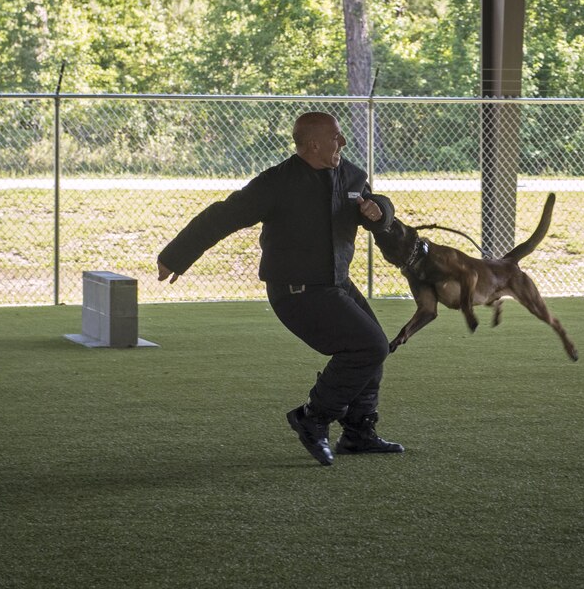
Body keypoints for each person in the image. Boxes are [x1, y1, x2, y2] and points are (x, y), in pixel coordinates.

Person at [157, 111, 403, 466]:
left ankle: (358, 432)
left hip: (337, 283)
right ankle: (312, 417)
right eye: (336, 137)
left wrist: (379, 210)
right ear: (313, 144)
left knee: (373, 346)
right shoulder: (276, 183)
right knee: (369, 346)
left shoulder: (350, 175)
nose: (343, 143)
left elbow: (379, 205)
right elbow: (222, 215)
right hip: (296, 291)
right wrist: (176, 256)